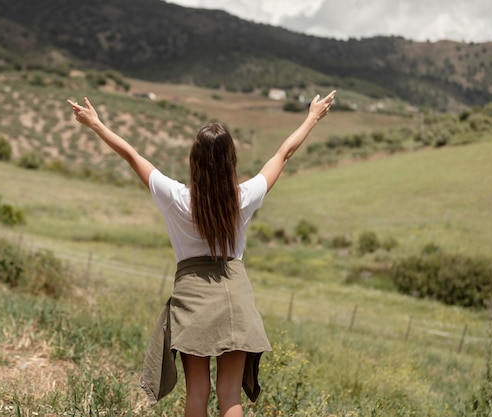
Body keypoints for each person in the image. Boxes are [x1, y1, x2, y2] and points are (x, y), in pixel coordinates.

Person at [67, 88, 335, 417]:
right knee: (229, 394)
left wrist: (96, 124)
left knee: (197, 391)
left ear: (193, 160)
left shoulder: (176, 197)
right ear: (231, 160)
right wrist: (312, 117)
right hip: (234, 299)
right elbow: (283, 155)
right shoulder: (243, 197)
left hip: (192, 299)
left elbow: (132, 155)